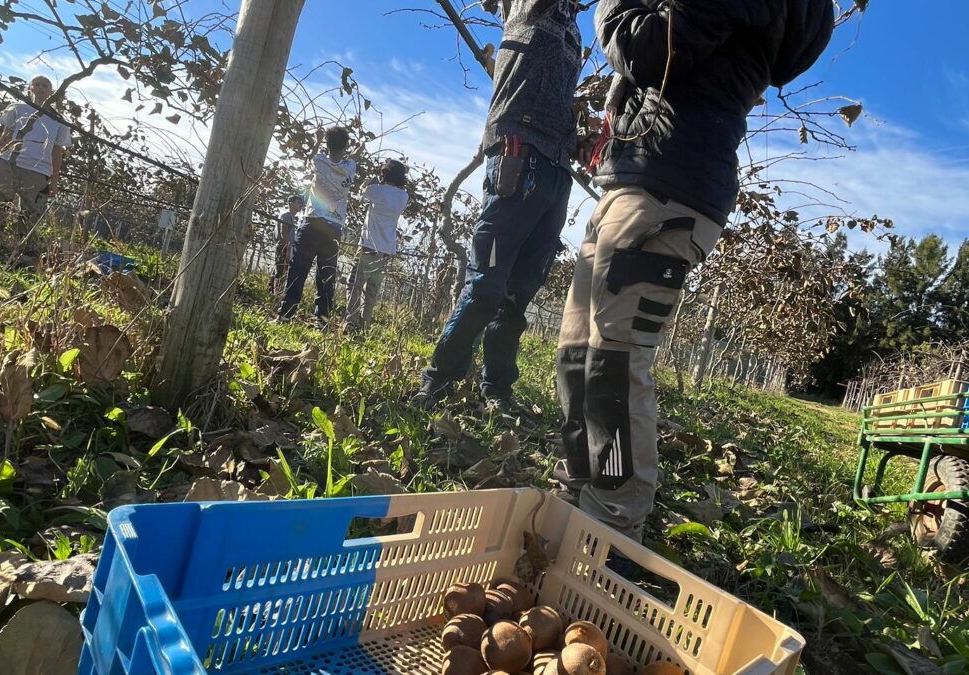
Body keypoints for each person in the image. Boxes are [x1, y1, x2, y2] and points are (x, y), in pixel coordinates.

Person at [555, 0, 836, 542]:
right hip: (645, 180)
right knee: (577, 350)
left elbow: (646, 50)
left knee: (614, 359)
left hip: (665, 188)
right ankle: (582, 482)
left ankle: (612, 520)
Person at [413, 0, 583, 414]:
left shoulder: (575, 31)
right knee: (486, 286)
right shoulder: (529, 8)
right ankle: (438, 380)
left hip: (558, 169)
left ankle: (497, 390)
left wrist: (578, 138)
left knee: (519, 292)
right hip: (517, 156)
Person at [279, 126, 356, 323]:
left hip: (312, 222)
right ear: (345, 146)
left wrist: (317, 140)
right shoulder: (350, 167)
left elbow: (308, 161)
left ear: (327, 145)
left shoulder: (319, 161)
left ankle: (286, 314)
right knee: (326, 276)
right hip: (334, 228)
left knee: (298, 270)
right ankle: (321, 320)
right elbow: (352, 157)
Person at [0, 75, 71, 233]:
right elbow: (4, 136)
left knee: (29, 214)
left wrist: (54, 181)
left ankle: (22, 246)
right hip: (8, 162)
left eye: (45, 85)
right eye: (36, 84)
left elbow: (57, 152)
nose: (40, 88)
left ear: (51, 92)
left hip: (38, 171)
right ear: (30, 88)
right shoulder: (17, 108)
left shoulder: (59, 120)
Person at [343, 159, 410, 332]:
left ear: (384, 173)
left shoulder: (376, 190)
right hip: (386, 249)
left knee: (354, 285)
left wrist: (366, 184)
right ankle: (365, 325)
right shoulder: (403, 197)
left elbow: (360, 196)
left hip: (368, 245)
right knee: (372, 290)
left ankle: (351, 323)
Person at [270, 194, 305, 296]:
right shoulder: (286, 216)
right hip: (284, 246)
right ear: (291, 203)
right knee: (281, 271)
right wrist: (288, 248)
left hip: (285, 246)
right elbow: (283, 232)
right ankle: (277, 293)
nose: (301, 205)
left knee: (279, 269)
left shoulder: (290, 217)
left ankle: (273, 292)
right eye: (298, 202)